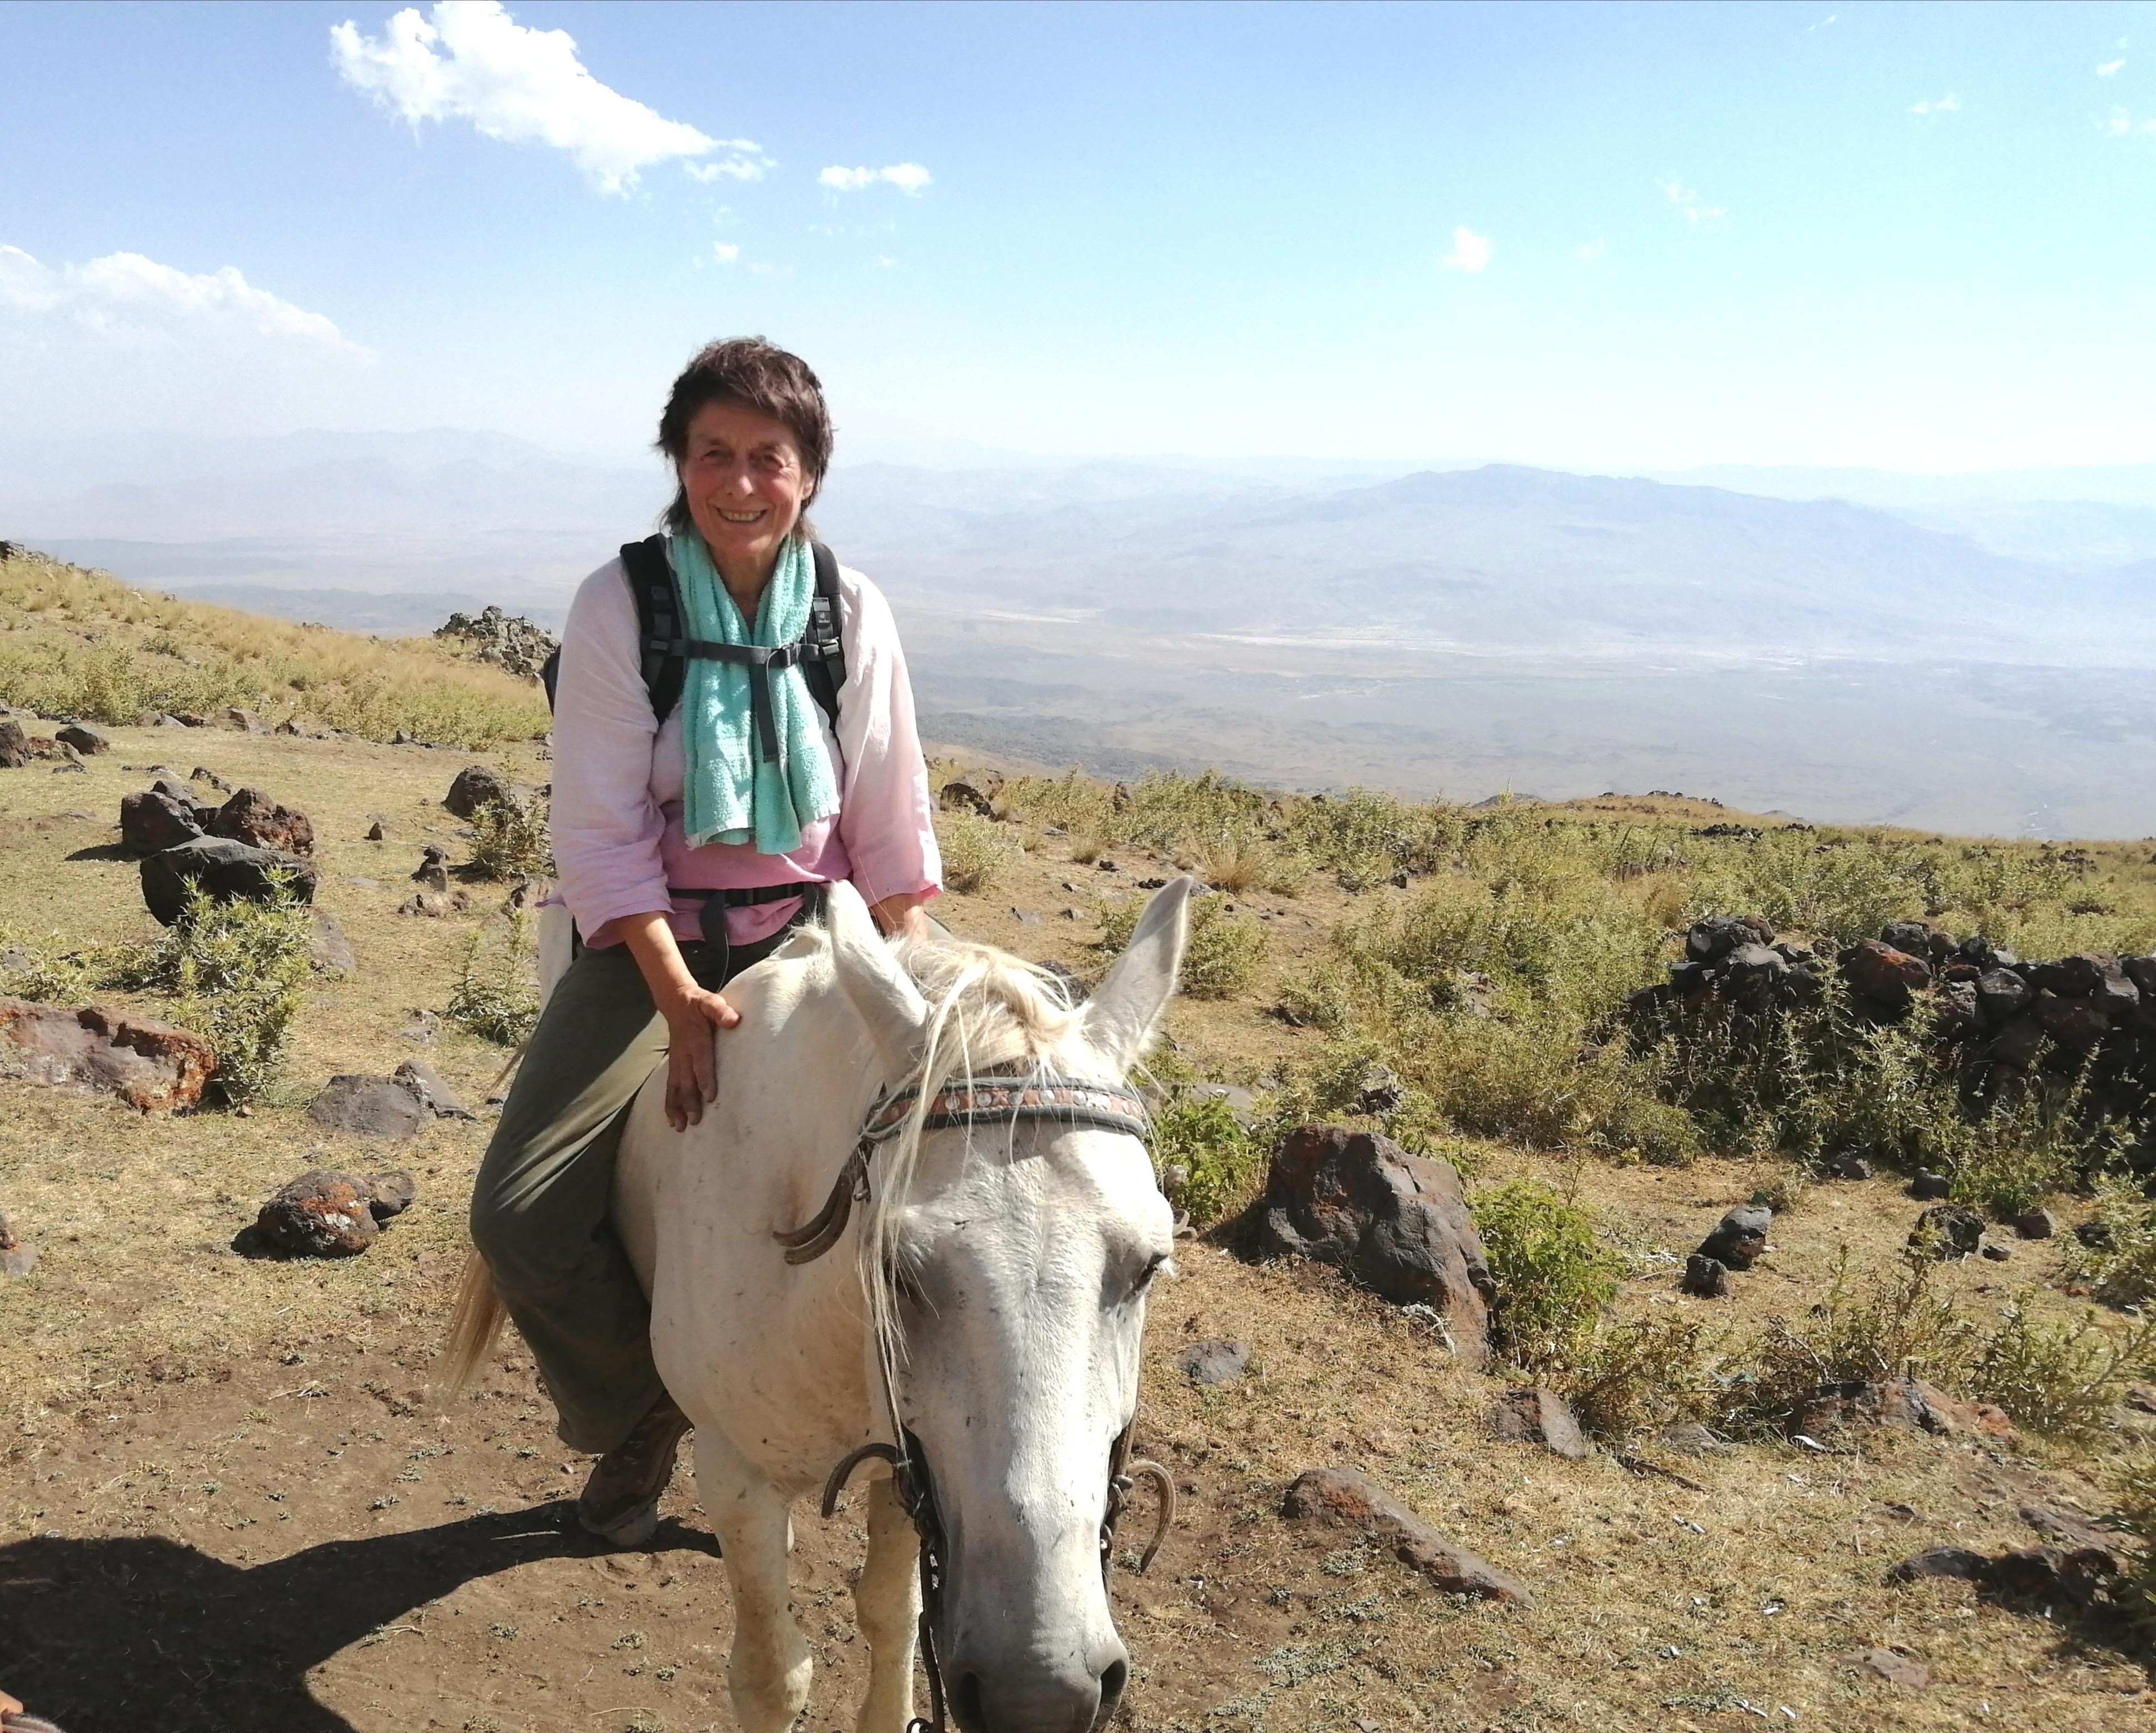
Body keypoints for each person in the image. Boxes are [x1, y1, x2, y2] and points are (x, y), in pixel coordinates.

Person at [470, 337, 942, 1545]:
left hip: (818, 936)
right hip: (651, 943)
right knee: (519, 1218)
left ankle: (943, 1431)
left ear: (812, 473)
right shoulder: (620, 603)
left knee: (956, 1177)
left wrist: (916, 975)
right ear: (678, 465)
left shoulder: (848, 608)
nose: (740, 483)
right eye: (712, 455)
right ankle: (643, 1407)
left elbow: (888, 808)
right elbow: (599, 826)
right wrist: (678, 999)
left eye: (768, 459)